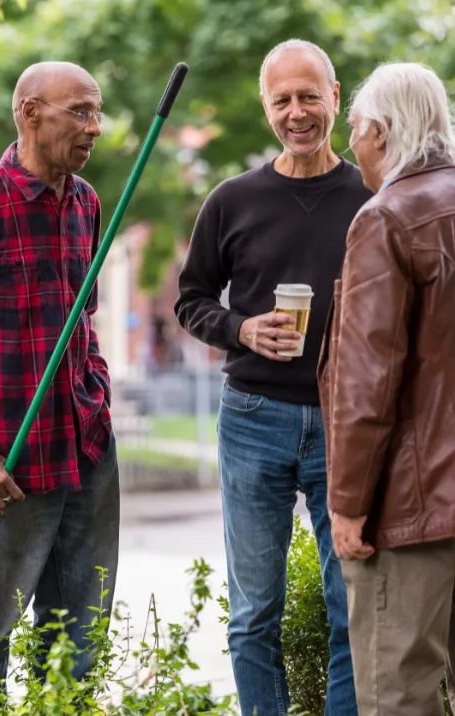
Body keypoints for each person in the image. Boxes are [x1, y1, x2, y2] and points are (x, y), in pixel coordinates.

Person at [174, 39, 372, 716]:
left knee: (351, 605)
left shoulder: (371, 197)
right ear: (265, 105)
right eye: (282, 99)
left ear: (335, 97)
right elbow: (191, 299)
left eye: (309, 96)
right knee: (254, 610)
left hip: (346, 423)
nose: (297, 112)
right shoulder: (233, 200)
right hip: (254, 417)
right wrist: (240, 329)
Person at [0, 61, 119, 714]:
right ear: (31, 113)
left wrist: (98, 399)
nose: (95, 127)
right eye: (80, 112)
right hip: (4, 465)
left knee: (78, 637)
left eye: (97, 113)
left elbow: (81, 322)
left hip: (84, 450)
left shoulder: (86, 204)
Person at [318, 61, 455, 715]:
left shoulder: (386, 218)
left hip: (413, 511)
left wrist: (346, 507)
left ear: (380, 130)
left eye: (354, 128)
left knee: (397, 697)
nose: (350, 145)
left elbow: (367, 381)